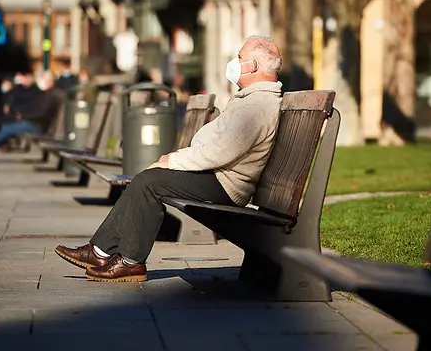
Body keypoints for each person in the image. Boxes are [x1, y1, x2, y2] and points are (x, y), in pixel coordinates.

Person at [55, 36, 284, 282]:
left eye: (239, 58)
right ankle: (101, 252)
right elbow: (214, 143)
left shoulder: (257, 105)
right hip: (219, 177)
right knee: (148, 179)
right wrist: (175, 159)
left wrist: (172, 161)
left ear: (254, 66)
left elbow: (220, 151)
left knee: (150, 182)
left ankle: (128, 261)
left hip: (226, 184)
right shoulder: (251, 99)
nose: (234, 63)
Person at [0, 71, 60, 153]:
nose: (39, 81)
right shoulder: (48, 94)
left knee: (6, 129)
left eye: (42, 79)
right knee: (2, 125)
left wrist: (24, 116)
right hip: (35, 123)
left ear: (49, 81)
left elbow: (41, 113)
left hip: (38, 125)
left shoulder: (51, 95)